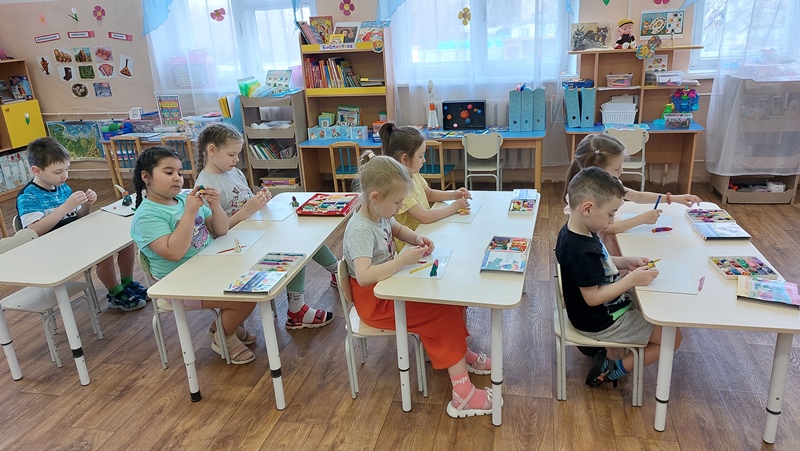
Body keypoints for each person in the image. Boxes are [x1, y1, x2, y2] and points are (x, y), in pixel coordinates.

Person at [343, 151, 495, 418]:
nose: (399, 207)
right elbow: (364, 276)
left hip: (388, 288)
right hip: (375, 302)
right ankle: (463, 395)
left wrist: (416, 239)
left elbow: (396, 228)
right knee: (442, 313)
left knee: (452, 300)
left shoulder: (378, 211)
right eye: (397, 202)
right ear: (375, 197)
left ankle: (461, 354)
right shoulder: (360, 230)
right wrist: (403, 260)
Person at [194, 122, 335, 329]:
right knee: (296, 244)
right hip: (235, 247)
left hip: (253, 233)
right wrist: (246, 210)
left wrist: (260, 199)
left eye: (238, 154)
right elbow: (216, 231)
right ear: (212, 150)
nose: (237, 159)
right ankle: (297, 308)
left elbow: (245, 201)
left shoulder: (233, 172)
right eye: (232, 154)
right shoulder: (206, 185)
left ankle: (338, 270)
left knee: (302, 232)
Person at [556, 167, 682, 387]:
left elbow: (600, 262)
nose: (612, 220)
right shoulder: (581, 250)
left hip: (601, 311)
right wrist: (630, 280)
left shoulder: (577, 231)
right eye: (611, 214)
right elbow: (593, 298)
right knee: (673, 338)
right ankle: (613, 369)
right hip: (599, 321)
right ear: (588, 208)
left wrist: (626, 262)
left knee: (656, 303)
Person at [130, 147, 258, 364]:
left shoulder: (183, 199)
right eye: (168, 172)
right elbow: (174, 252)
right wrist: (189, 213)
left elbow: (220, 229)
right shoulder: (147, 216)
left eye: (180, 173)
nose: (177, 178)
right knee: (246, 296)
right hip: (178, 283)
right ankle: (223, 336)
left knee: (255, 277)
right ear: (146, 177)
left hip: (206, 269)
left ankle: (223, 326)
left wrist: (215, 206)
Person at [17, 137, 146, 312]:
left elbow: (78, 217)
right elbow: (33, 231)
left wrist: (87, 205)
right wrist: (65, 207)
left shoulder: (62, 187)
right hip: (51, 248)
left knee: (124, 239)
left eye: (67, 169)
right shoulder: (28, 196)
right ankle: (115, 293)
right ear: (36, 170)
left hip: (74, 237)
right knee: (104, 250)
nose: (65, 175)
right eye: (58, 171)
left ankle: (127, 283)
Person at [564, 133, 702, 235]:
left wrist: (673, 198)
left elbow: (638, 196)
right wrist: (642, 219)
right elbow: (606, 229)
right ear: (597, 170)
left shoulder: (605, 184)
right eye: (617, 169)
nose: (621, 171)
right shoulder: (588, 193)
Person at [378, 122, 471, 251]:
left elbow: (429, 194)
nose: (424, 160)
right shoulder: (399, 186)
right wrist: (453, 208)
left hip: (425, 234)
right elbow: (424, 217)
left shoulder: (413, 174)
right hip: (411, 245)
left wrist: (454, 194)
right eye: (421, 156)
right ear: (404, 159)